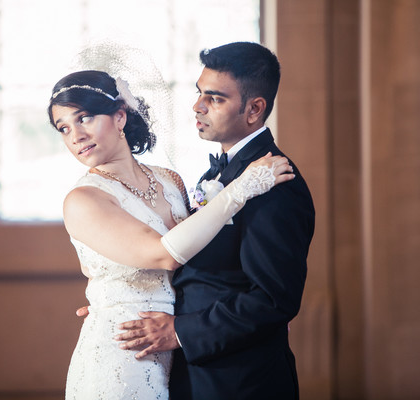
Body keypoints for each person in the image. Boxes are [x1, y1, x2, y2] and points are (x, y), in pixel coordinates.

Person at [48, 69, 294, 400]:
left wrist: (254, 313)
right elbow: (164, 254)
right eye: (64, 128)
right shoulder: (83, 200)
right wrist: (241, 189)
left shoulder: (170, 181)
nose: (75, 135)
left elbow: (202, 254)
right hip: (124, 350)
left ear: (120, 116)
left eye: (85, 118)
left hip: (181, 352)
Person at [115, 42, 316, 399]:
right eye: (198, 93)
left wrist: (179, 331)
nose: (198, 106)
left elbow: (273, 300)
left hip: (240, 381)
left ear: (254, 109)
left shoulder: (275, 183)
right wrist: (117, 301)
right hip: (198, 375)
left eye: (215, 98)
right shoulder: (225, 173)